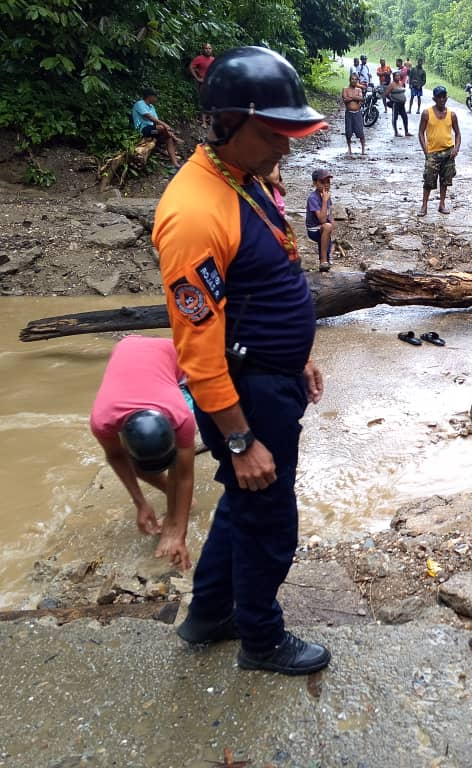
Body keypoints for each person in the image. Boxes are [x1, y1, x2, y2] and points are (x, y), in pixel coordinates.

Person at [153, 46, 330, 675]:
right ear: (225, 122)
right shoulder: (194, 212)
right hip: (244, 396)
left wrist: (300, 352)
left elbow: (268, 277)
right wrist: (239, 440)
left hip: (271, 379)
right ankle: (261, 640)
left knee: (240, 504)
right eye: (271, 133)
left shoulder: (240, 177)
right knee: (269, 522)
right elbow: (198, 352)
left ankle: (207, 614)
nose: (285, 147)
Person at [90, 335, 197, 571]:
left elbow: (185, 475)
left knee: (178, 466)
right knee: (137, 465)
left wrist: (177, 529)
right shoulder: (102, 420)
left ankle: (173, 507)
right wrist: (140, 502)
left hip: (176, 354)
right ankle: (168, 490)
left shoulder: (181, 417)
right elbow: (117, 457)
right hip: (125, 346)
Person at [417, 85, 461, 216]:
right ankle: (424, 205)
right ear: (434, 98)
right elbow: (420, 132)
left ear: (446, 97)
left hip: (448, 151)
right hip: (433, 152)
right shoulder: (427, 113)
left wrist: (456, 148)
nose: (442, 100)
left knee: (445, 180)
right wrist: (426, 151)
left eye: (444, 97)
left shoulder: (452, 115)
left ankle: (442, 204)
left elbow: (458, 133)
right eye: (439, 97)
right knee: (429, 180)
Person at [131, 88, 182, 168]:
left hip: (153, 131)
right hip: (144, 130)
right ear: (150, 97)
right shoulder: (140, 104)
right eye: (155, 97)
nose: (156, 99)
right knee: (161, 128)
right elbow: (151, 118)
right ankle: (174, 138)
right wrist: (166, 125)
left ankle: (175, 163)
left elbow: (156, 121)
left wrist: (166, 128)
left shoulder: (151, 107)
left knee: (168, 138)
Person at [306, 168, 334, 271]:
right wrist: (324, 201)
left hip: (323, 228)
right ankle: (323, 261)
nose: (326, 185)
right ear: (315, 183)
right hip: (313, 229)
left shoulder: (326, 195)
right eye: (322, 182)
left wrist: (332, 225)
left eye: (328, 182)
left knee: (328, 237)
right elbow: (322, 220)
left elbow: (330, 214)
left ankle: (326, 262)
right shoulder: (313, 198)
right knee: (326, 226)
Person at [189, 42, 215, 129]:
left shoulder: (213, 59)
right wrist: (197, 77)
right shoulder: (199, 58)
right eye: (206, 48)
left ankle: (211, 121)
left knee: (212, 102)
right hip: (203, 84)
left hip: (212, 84)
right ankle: (203, 122)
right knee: (204, 102)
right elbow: (191, 67)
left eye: (209, 48)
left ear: (212, 49)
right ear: (203, 50)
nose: (208, 50)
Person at [342, 72, 367, 157]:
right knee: (348, 132)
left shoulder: (358, 90)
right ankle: (349, 148)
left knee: (360, 132)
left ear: (357, 81)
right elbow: (345, 99)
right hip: (349, 113)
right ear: (350, 80)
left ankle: (363, 149)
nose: (354, 81)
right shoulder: (345, 89)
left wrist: (352, 98)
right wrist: (354, 98)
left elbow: (361, 98)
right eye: (352, 79)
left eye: (355, 79)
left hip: (357, 113)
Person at [386, 71, 410, 137]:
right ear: (393, 77)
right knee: (395, 117)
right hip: (396, 103)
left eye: (399, 76)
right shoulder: (391, 84)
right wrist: (393, 99)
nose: (398, 77)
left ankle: (406, 132)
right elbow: (386, 94)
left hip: (402, 104)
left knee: (405, 117)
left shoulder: (400, 83)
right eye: (396, 76)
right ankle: (396, 132)